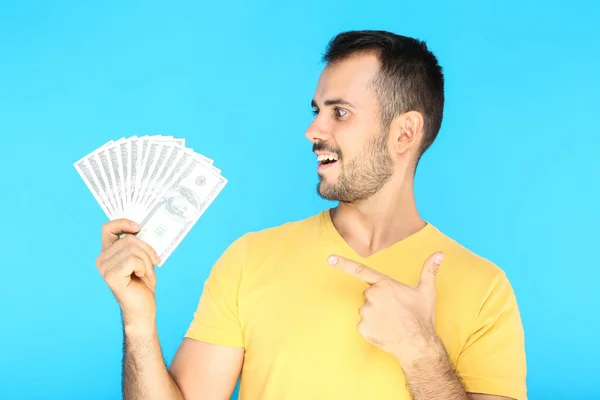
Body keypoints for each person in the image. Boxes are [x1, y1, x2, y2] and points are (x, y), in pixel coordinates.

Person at [96, 30, 527, 400]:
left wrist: (420, 353)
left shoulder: (485, 289)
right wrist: (138, 323)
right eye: (317, 111)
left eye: (340, 112)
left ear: (405, 132)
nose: (314, 131)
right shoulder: (249, 260)